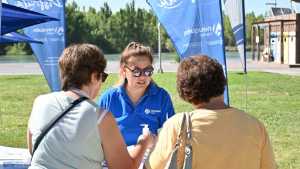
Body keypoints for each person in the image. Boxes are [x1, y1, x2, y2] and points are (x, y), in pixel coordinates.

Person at [27, 43, 155, 169]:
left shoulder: (40, 102)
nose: (102, 83)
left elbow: (34, 150)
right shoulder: (101, 117)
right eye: (103, 77)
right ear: (94, 76)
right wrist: (143, 143)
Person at [145, 55, 276, 169]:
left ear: (184, 91)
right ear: (223, 82)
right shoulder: (255, 126)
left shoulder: (177, 126)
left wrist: (145, 146)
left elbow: (151, 166)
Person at [98, 42, 175, 146]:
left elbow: (172, 135)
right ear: (124, 71)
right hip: (117, 160)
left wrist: (156, 140)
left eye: (148, 71)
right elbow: (97, 138)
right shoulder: (109, 98)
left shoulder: (161, 97)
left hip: (151, 159)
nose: (143, 77)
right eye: (136, 71)